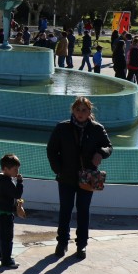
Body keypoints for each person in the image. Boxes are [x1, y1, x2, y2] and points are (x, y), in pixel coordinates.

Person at [46, 97, 113, 260]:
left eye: (84, 110)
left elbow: (109, 147)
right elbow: (51, 150)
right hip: (66, 177)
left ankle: (81, 245)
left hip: (88, 178)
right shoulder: (62, 128)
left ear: (89, 112)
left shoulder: (97, 129)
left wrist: (101, 153)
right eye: (78, 110)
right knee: (65, 211)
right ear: (73, 111)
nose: (81, 113)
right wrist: (59, 170)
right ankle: (62, 242)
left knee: (83, 211)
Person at [0, 154, 25, 269]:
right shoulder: (7, 182)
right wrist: (20, 182)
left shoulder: (3, 180)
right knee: (7, 238)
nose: (17, 171)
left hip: (0, 212)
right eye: (15, 169)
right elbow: (17, 194)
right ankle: (7, 260)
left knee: (0, 234)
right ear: (6, 169)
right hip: (5, 214)